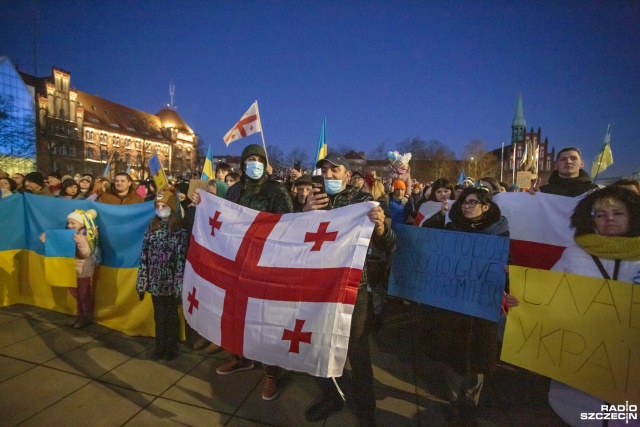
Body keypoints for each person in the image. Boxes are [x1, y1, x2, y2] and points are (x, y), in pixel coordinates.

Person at [192, 144, 293, 401]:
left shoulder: (276, 190)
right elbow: (223, 217)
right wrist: (201, 202)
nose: (255, 163)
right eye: (251, 159)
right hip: (237, 260)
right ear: (244, 163)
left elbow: (289, 223)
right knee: (235, 310)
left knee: (263, 316)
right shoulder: (235, 190)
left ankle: (272, 373)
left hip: (265, 261)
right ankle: (239, 357)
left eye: (260, 159)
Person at [303, 153, 395, 426]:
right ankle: (331, 396)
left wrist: (379, 227)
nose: (329, 175)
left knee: (357, 349)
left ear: (347, 174)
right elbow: (295, 238)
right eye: (325, 171)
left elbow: (388, 244)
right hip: (319, 284)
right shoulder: (312, 200)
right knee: (319, 343)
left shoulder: (363, 202)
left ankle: (366, 410)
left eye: (335, 170)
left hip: (355, 284)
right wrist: (304, 214)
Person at [538, 186, 639, 426]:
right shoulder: (574, 254)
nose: (609, 219)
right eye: (601, 215)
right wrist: (522, 301)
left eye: (618, 213)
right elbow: (546, 295)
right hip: (577, 382)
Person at [422, 185, 514, 423]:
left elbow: (507, 268)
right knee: (453, 355)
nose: (466, 206)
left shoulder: (500, 234)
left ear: (486, 206)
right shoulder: (451, 228)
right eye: (463, 202)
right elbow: (426, 237)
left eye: (473, 202)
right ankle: (454, 400)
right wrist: (441, 214)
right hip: (455, 304)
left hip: (482, 306)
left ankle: (471, 403)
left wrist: (507, 278)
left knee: (478, 358)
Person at [136, 188, 188, 361]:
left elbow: (181, 261)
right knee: (159, 316)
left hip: (171, 283)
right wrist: (143, 282)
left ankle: (171, 347)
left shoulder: (179, 232)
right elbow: (144, 257)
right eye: (157, 205)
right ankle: (160, 346)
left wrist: (178, 285)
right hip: (155, 282)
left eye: (164, 205)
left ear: (172, 207)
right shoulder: (151, 230)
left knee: (171, 316)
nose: (160, 208)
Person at [40, 209, 100, 329]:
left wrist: (80, 242)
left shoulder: (86, 236)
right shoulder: (68, 235)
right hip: (70, 270)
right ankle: (79, 314)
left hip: (83, 271)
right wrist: (47, 239)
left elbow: (86, 253)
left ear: (82, 224)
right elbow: (57, 247)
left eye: (74, 223)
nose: (70, 225)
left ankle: (86, 317)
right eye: (69, 223)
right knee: (75, 294)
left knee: (84, 294)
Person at [531, 147, 598, 197]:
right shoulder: (543, 191)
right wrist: (532, 197)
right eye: (563, 159)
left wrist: (596, 201)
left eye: (573, 158)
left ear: (581, 163)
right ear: (556, 164)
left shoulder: (594, 191)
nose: (568, 162)